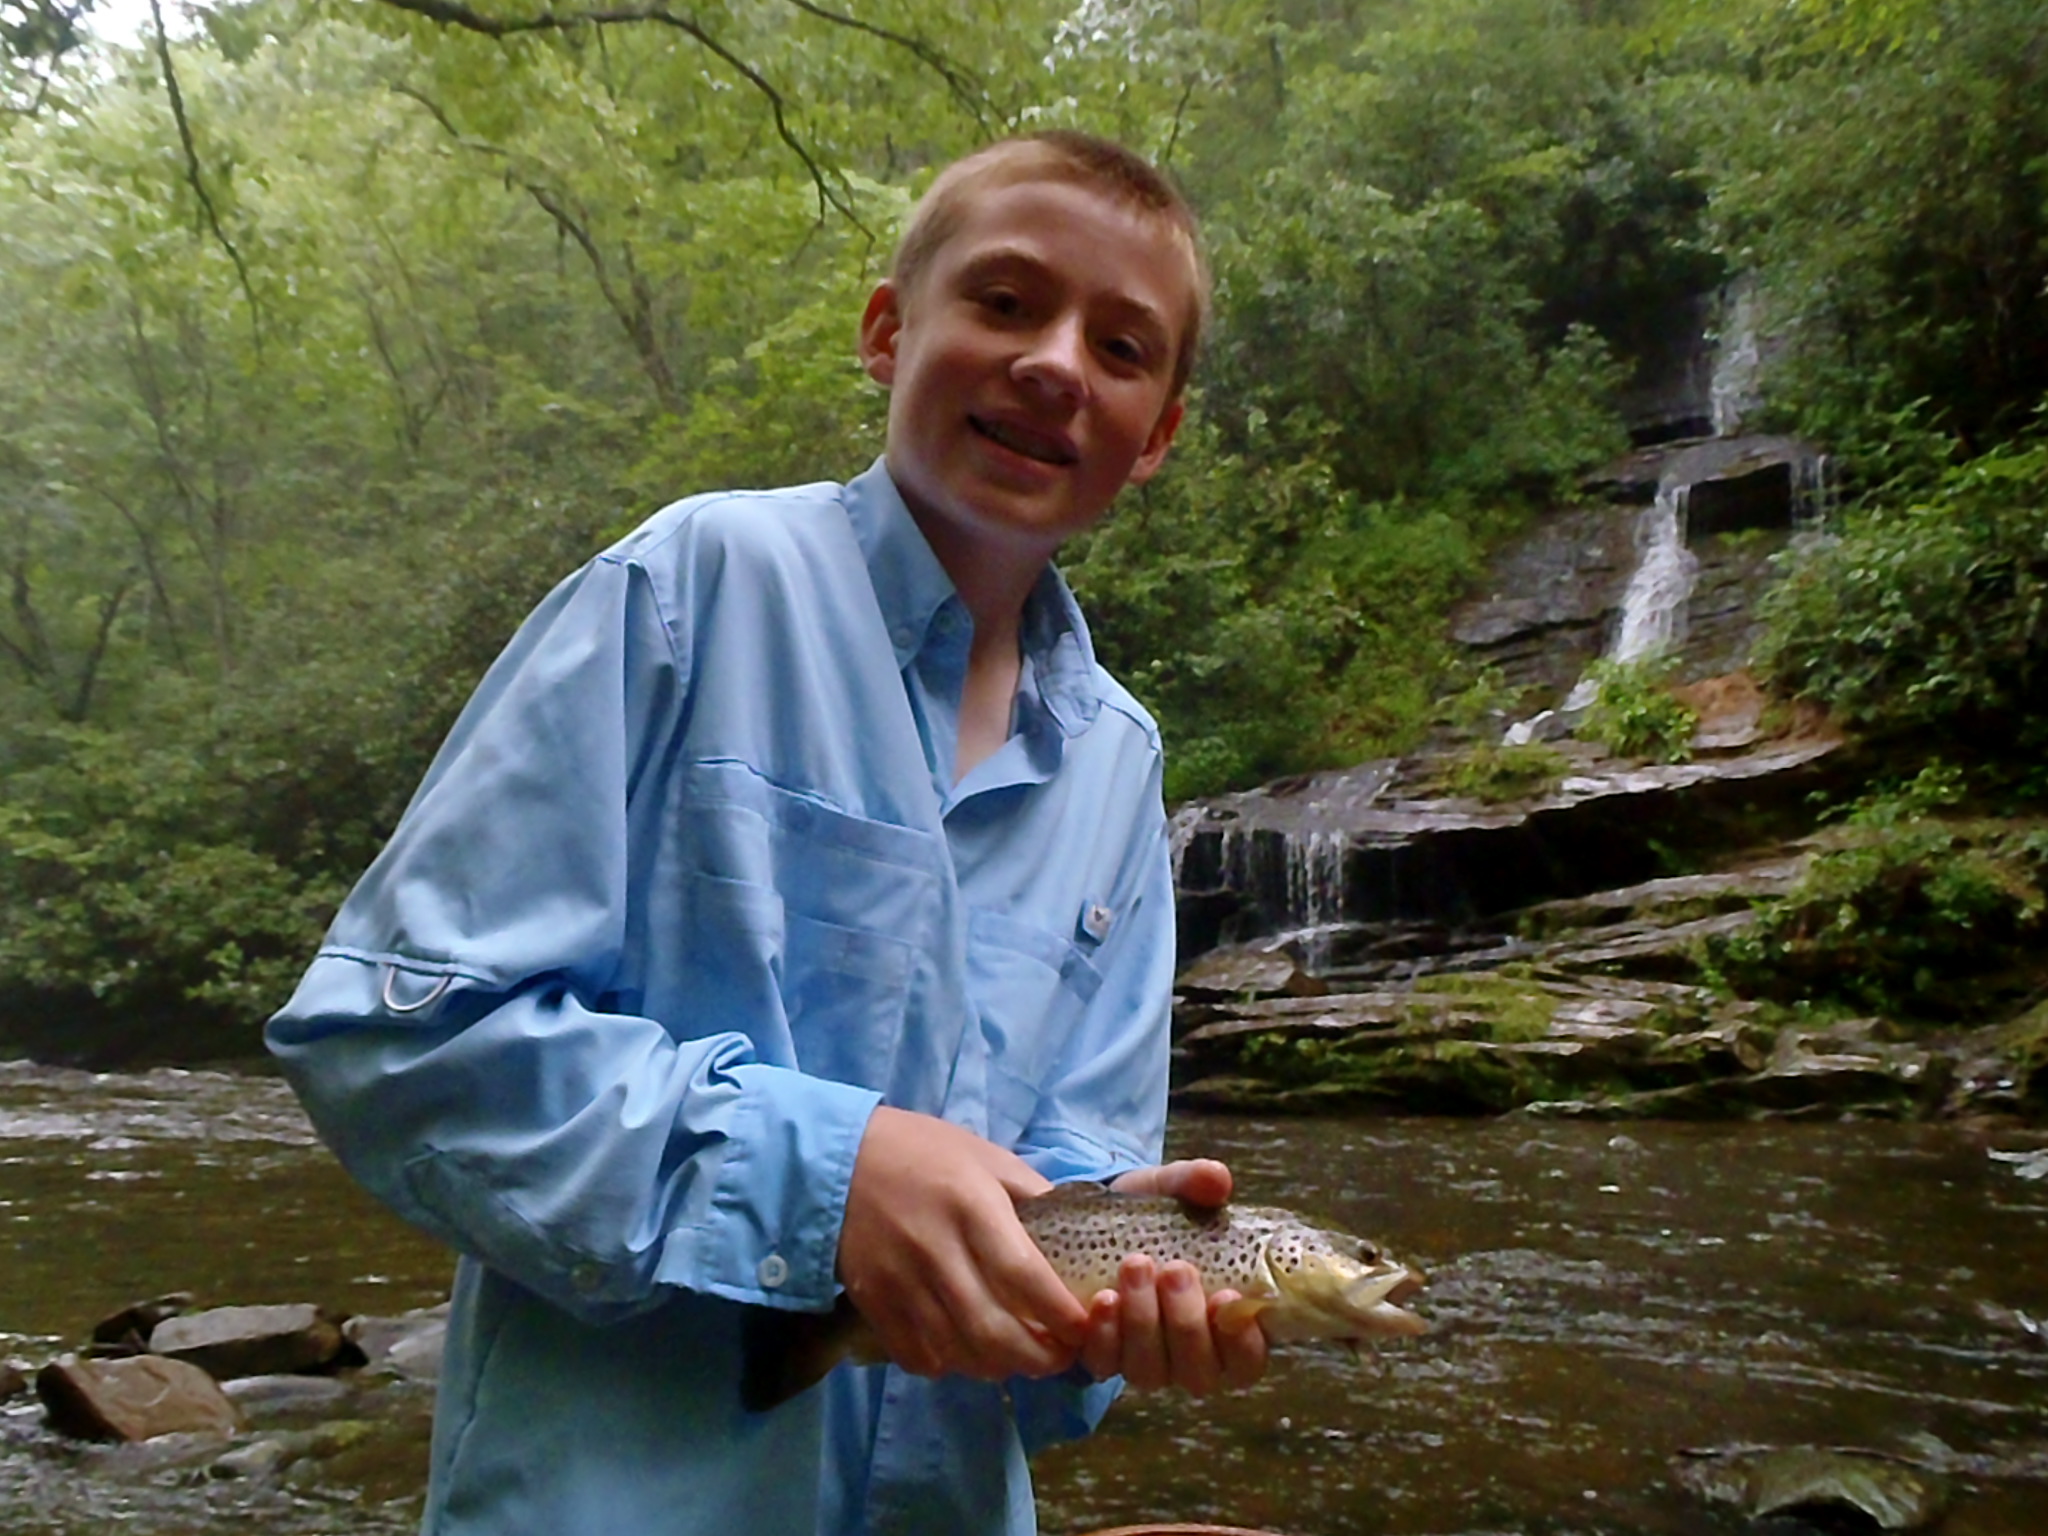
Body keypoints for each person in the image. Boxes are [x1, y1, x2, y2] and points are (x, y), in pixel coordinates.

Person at [266, 129, 1267, 1536]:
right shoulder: (688, 589)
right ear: (886, 330)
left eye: (1121, 346)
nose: (1054, 362)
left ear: (1157, 434)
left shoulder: (1122, 765)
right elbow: (392, 1037)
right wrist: (830, 1173)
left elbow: (1065, 1219)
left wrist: (1118, 1316)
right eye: (1002, 302)